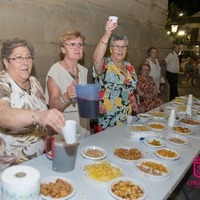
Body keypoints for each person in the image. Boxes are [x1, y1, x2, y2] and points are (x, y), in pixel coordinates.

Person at [0, 38, 65, 170]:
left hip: (40, 159)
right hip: (13, 167)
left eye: (28, 57)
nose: (25, 62)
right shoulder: (3, 83)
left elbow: (44, 115)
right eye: (18, 58)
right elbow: (2, 113)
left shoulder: (34, 82)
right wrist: (38, 116)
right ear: (6, 62)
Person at [91, 19, 138, 133]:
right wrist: (107, 34)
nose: (121, 49)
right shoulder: (105, 64)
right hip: (107, 118)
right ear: (110, 49)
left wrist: (133, 99)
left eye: (123, 47)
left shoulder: (129, 66)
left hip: (126, 116)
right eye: (117, 46)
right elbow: (96, 59)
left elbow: (129, 89)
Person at [45, 31, 90, 139]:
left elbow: (83, 100)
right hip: (64, 129)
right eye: (72, 44)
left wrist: (95, 104)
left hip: (85, 128)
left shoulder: (83, 70)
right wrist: (66, 96)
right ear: (63, 49)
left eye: (80, 44)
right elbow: (53, 105)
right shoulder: (55, 71)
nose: (77, 48)